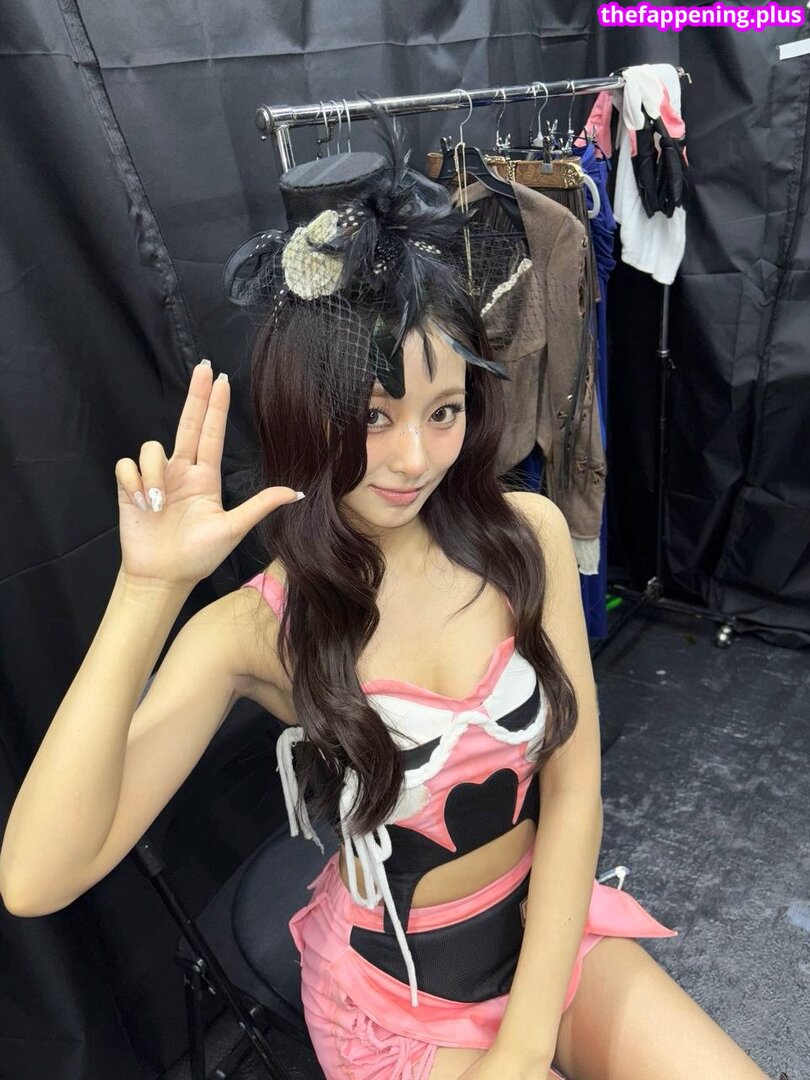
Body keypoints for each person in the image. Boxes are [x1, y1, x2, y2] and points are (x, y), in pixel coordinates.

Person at [0, 114, 772, 1080]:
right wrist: (147, 592)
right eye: (374, 416)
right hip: (394, 1002)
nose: (414, 458)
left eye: (443, 411)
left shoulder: (525, 536)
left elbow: (574, 790)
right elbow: (35, 878)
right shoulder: (257, 629)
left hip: (548, 936)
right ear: (308, 413)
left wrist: (525, 1043)